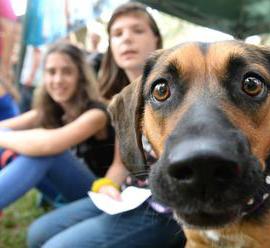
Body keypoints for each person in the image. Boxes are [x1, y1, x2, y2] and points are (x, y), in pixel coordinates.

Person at [28, 3, 185, 248]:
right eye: (118, 34)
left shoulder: (181, 92)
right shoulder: (121, 101)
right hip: (128, 197)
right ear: (111, 45)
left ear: (156, 38)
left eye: (137, 30)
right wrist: (108, 186)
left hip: (169, 209)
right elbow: (119, 165)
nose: (127, 39)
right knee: (36, 234)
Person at [0, 42, 115, 211]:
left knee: (47, 152)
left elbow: (48, 145)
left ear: (80, 76)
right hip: (59, 192)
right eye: (51, 72)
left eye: (67, 72)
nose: (58, 79)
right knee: (10, 139)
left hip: (98, 195)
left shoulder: (96, 114)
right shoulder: (49, 110)